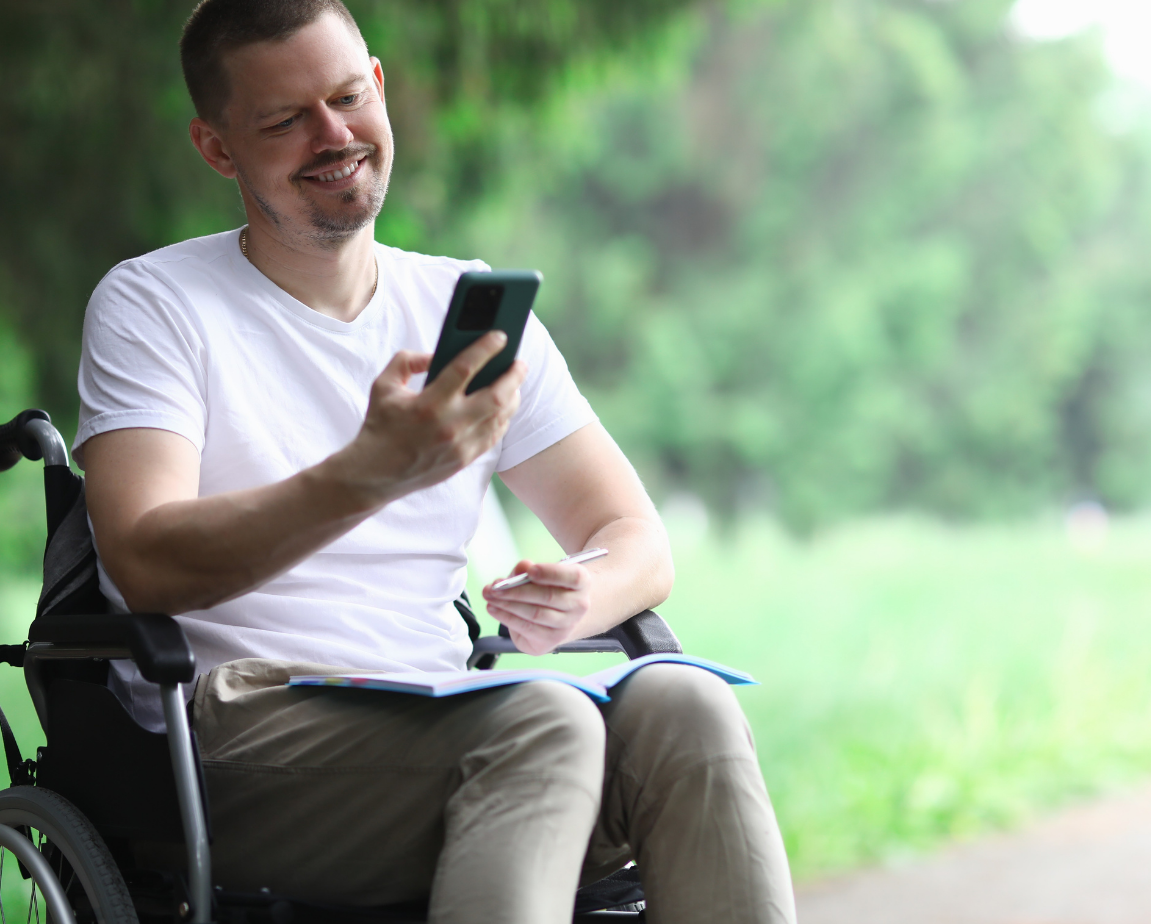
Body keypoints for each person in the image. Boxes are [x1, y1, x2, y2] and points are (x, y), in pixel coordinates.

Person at [71, 0, 796, 921]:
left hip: (448, 714)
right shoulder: (156, 305)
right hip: (235, 737)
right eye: (285, 120)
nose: (332, 136)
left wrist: (585, 592)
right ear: (218, 149)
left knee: (687, 707)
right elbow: (144, 560)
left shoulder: (462, 305)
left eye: (344, 98)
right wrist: (367, 474)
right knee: (544, 722)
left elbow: (637, 542)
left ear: (376, 87)